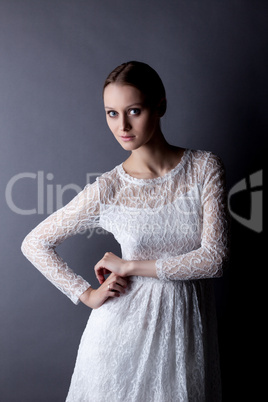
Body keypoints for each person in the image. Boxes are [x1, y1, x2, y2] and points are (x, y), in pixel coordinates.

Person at [21, 61, 229, 401]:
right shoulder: (109, 189)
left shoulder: (205, 167)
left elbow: (214, 260)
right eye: (111, 113)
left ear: (160, 106)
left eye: (134, 110)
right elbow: (35, 243)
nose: (123, 126)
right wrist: (86, 294)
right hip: (119, 337)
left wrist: (129, 266)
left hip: (185, 334)